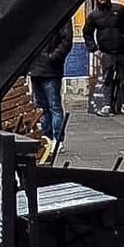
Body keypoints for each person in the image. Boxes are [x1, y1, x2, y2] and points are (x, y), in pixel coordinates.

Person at [82, 0, 124, 115]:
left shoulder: (118, 9)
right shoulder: (93, 16)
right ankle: (107, 105)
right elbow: (87, 33)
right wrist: (94, 49)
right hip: (106, 52)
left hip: (122, 50)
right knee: (107, 79)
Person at [27, 29, 72, 162]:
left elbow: (66, 40)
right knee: (42, 107)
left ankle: (57, 139)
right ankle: (47, 138)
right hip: (36, 69)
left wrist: (53, 57)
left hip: (50, 69)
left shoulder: (60, 16)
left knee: (53, 106)